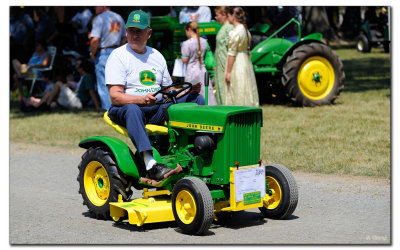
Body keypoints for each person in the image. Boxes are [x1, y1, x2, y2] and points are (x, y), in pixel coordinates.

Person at [106, 10, 204, 181]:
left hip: (155, 109)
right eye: (131, 30)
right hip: (125, 110)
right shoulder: (118, 56)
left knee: (196, 99)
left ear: (149, 33)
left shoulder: (156, 56)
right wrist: (140, 100)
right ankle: (150, 164)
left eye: (139, 31)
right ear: (126, 32)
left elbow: (168, 91)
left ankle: (199, 148)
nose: (134, 35)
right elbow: (115, 97)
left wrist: (187, 91)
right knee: (132, 109)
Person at [28, 59, 101, 111]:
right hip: (75, 98)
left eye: (78, 65)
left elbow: (91, 92)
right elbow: (81, 90)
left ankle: (45, 105)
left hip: (79, 102)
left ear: (82, 68)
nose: (76, 66)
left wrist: (97, 107)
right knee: (49, 93)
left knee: (58, 84)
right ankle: (39, 105)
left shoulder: (88, 77)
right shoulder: (82, 77)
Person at [90, 6, 126, 110]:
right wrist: (119, 48)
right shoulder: (119, 17)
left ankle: (108, 110)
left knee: (103, 83)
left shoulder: (99, 18)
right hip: (116, 51)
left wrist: (92, 54)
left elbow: (95, 40)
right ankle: (119, 108)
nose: (94, 7)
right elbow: (124, 36)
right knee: (117, 82)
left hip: (103, 53)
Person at [225, 7, 259, 107]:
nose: (228, 18)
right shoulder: (245, 30)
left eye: (228, 16)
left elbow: (232, 53)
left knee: (238, 88)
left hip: (237, 62)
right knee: (246, 87)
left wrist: (228, 72)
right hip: (245, 61)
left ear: (233, 16)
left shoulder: (235, 32)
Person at [181, 21, 217, 105]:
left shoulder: (186, 44)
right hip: (203, 71)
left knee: (191, 92)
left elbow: (184, 60)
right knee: (206, 92)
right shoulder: (204, 41)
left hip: (192, 73)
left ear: (189, 29)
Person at [12, 39, 51, 106]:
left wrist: (32, 67)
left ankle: (23, 97)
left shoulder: (46, 55)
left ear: (42, 46)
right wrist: (25, 66)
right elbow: (29, 63)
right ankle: (21, 75)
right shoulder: (34, 54)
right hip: (27, 71)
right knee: (15, 61)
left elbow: (44, 64)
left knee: (16, 77)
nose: (36, 47)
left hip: (36, 73)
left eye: (37, 45)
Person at [213, 6, 234, 105]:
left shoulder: (229, 28)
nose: (215, 17)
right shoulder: (223, 28)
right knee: (220, 88)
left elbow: (231, 48)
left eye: (217, 15)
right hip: (220, 64)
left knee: (224, 89)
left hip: (224, 64)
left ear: (224, 15)